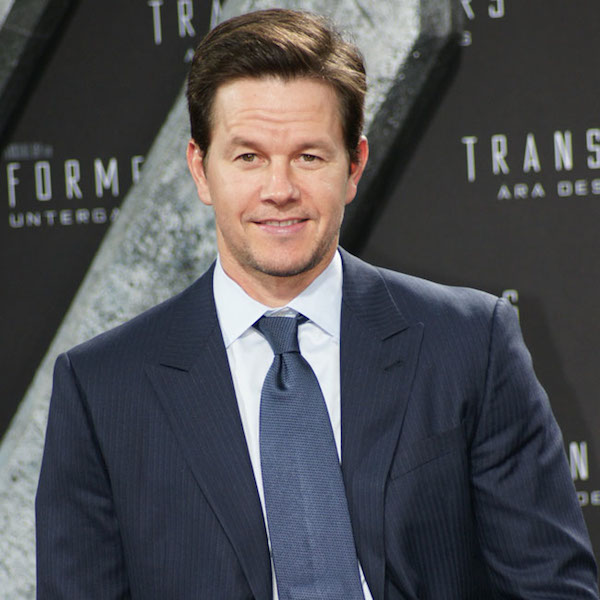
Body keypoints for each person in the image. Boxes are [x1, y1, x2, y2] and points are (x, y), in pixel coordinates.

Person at [36, 8, 598, 599]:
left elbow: (550, 588)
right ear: (200, 170)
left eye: (309, 156)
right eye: (248, 157)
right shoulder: (102, 389)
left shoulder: (469, 344)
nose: (279, 190)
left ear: (353, 166)